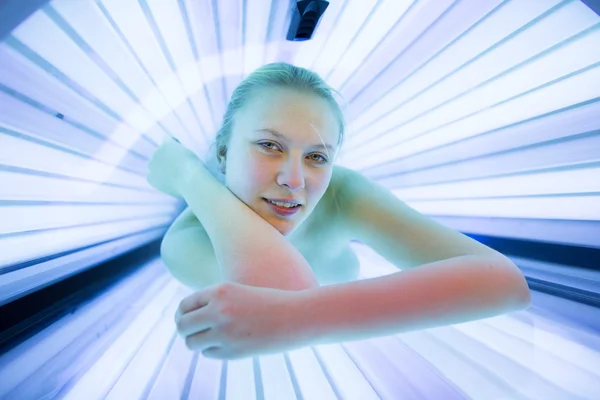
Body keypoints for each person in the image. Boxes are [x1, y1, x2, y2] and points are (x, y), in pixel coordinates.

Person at [147, 62, 531, 360]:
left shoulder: (343, 192)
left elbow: (505, 284)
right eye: (269, 145)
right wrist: (191, 178)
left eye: (316, 156)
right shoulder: (185, 242)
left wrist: (186, 173)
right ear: (223, 152)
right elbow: (286, 293)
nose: (295, 180)